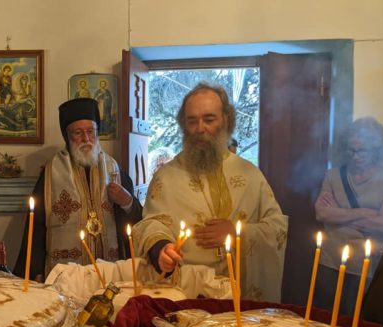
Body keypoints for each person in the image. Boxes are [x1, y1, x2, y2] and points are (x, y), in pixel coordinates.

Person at [133, 83, 288, 302]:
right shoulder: (166, 177)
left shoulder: (251, 175)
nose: (200, 128)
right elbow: (151, 223)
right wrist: (161, 248)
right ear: (184, 125)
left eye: (209, 119)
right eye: (192, 121)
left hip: (240, 298)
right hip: (188, 295)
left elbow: (277, 228)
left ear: (226, 121)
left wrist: (238, 233)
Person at [14, 98, 142, 281]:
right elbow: (36, 226)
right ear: (67, 136)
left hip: (109, 271)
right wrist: (35, 270)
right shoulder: (52, 172)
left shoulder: (113, 169)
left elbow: (137, 217)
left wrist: (127, 201)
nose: (86, 139)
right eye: (78, 133)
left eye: (91, 131)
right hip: (67, 275)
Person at [314, 117, 383, 316]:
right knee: (324, 319)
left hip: (367, 265)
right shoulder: (333, 176)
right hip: (330, 260)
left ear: (376, 150)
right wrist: (364, 213)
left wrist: (338, 213)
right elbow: (321, 213)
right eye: (351, 150)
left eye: (362, 151)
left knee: (357, 321)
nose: (355, 156)